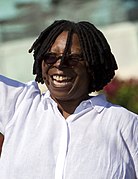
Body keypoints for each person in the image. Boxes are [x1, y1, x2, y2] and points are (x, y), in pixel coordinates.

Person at [0, 19, 137, 179]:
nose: (59, 65)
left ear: (91, 65)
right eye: (50, 57)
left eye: (72, 59)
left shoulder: (126, 125)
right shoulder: (19, 105)